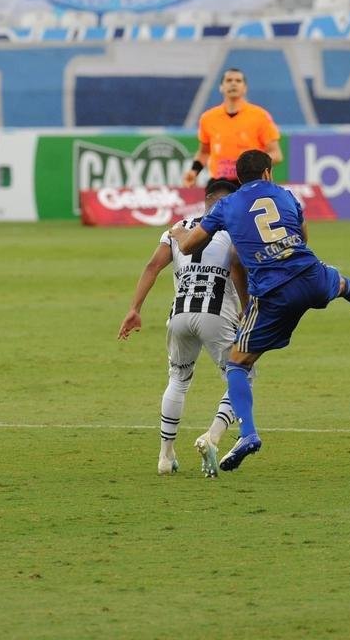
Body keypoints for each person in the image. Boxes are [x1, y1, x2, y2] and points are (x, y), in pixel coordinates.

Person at [169, 150, 350, 473]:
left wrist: (177, 233)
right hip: (308, 272)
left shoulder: (227, 206)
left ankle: (248, 435)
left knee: (237, 364)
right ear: (268, 173)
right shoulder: (287, 195)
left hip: (272, 293)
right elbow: (302, 236)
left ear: (240, 178)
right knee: (342, 284)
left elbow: (191, 246)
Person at [117, 179, 252, 478]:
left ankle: (165, 456)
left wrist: (134, 309)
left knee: (178, 379)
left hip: (179, 314)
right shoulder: (236, 227)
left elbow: (152, 267)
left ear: (206, 200)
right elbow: (237, 266)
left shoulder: (179, 226)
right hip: (217, 315)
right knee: (243, 375)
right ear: (229, 201)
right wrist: (247, 306)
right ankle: (212, 437)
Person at [181, 68, 282, 187]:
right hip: (220, 183)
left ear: (245, 88)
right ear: (221, 87)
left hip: (251, 182)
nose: (233, 83)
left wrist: (251, 165)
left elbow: (276, 154)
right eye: (229, 80)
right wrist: (194, 172)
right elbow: (204, 152)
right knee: (217, 199)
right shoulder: (208, 118)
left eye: (238, 81)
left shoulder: (260, 116)